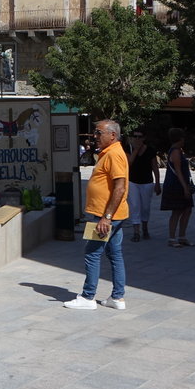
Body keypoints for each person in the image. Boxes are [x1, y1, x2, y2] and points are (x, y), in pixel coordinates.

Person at [64, 119, 129, 311]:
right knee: (114, 254)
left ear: (112, 135)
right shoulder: (108, 153)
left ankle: (88, 296)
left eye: (99, 133)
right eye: (95, 132)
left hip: (105, 216)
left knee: (92, 253)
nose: (95, 136)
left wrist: (106, 217)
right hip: (110, 215)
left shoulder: (114, 154)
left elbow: (120, 187)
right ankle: (117, 297)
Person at [160, 127, 195, 247]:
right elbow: (178, 170)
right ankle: (172, 238)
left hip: (181, 183)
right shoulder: (175, 151)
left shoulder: (179, 150)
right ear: (180, 138)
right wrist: (185, 187)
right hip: (176, 184)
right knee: (177, 211)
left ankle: (182, 236)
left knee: (187, 209)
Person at [126, 129, 160, 242]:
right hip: (133, 182)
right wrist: (136, 149)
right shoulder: (128, 148)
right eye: (135, 136)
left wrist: (157, 183)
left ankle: (145, 228)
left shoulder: (150, 150)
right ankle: (136, 231)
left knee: (145, 206)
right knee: (135, 206)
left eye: (139, 137)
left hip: (147, 182)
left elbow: (155, 167)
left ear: (144, 138)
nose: (137, 139)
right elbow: (129, 163)